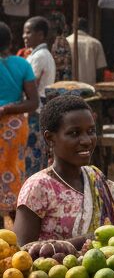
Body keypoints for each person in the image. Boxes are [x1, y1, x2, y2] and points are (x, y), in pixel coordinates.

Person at [14, 94, 114, 247]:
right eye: (74, 133)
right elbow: (20, 252)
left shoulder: (96, 177)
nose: (86, 141)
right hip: (52, 271)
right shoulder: (39, 187)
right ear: (50, 138)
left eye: (90, 131)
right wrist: (85, 241)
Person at [0, 22, 38, 221]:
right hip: (15, 126)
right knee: (14, 171)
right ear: (10, 41)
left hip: (8, 124)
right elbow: (33, 102)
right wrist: (8, 109)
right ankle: (17, 227)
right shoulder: (23, 64)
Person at [22, 16, 56, 178]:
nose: (24, 36)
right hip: (40, 107)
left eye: (28, 32)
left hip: (36, 109)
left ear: (41, 35)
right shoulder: (40, 54)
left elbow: (31, 86)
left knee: (33, 154)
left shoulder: (40, 56)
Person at [67, 18, 108, 85]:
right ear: (87, 28)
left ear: (73, 28)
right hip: (90, 89)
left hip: (70, 88)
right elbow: (100, 71)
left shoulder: (66, 42)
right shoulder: (96, 43)